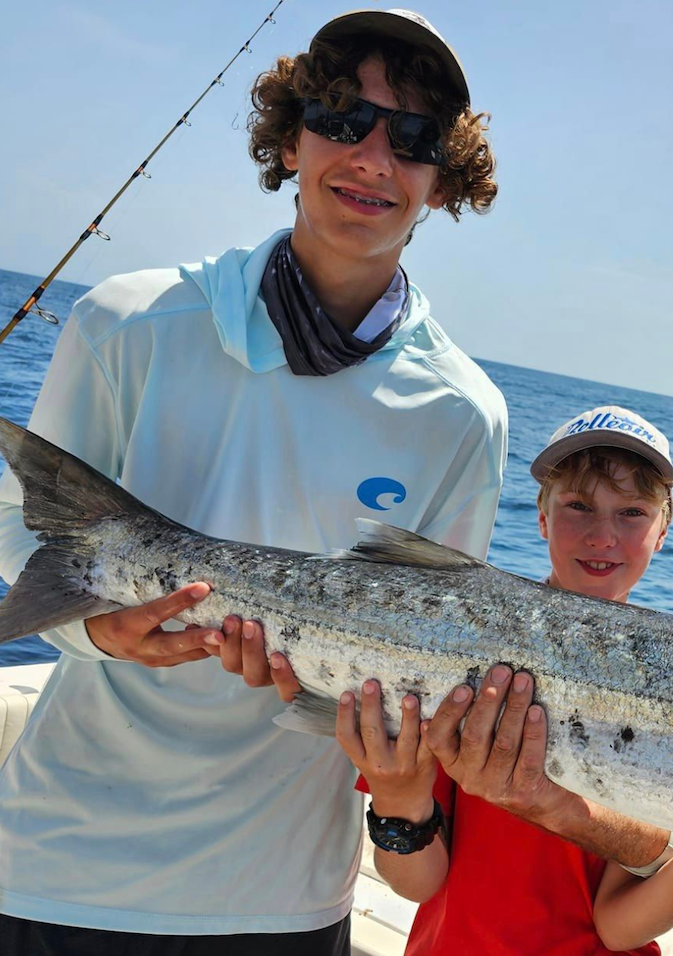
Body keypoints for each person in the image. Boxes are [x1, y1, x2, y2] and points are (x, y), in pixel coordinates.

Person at [0, 10, 505, 954]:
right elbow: (21, 536)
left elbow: (435, 648)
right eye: (342, 117)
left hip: (285, 895)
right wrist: (99, 630)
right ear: (290, 134)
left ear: (444, 179)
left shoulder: (462, 413)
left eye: (414, 137)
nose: (372, 157)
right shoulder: (127, 321)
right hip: (62, 865)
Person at [341, 406, 673, 955]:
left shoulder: (672, 691)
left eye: (632, 512)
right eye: (578, 507)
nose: (602, 535)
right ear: (540, 516)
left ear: (663, 530)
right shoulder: (461, 653)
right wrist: (398, 795)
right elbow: (419, 882)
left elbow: (616, 926)